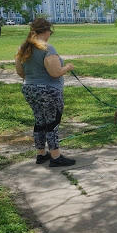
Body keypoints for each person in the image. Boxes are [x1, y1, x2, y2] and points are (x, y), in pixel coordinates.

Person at [15, 18, 76, 167]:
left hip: (29, 89)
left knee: (40, 121)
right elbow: (55, 72)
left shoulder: (22, 48)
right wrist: (68, 67)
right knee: (52, 122)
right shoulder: (47, 48)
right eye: (50, 31)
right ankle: (56, 156)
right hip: (49, 91)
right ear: (47, 31)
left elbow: (20, 72)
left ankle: (41, 154)